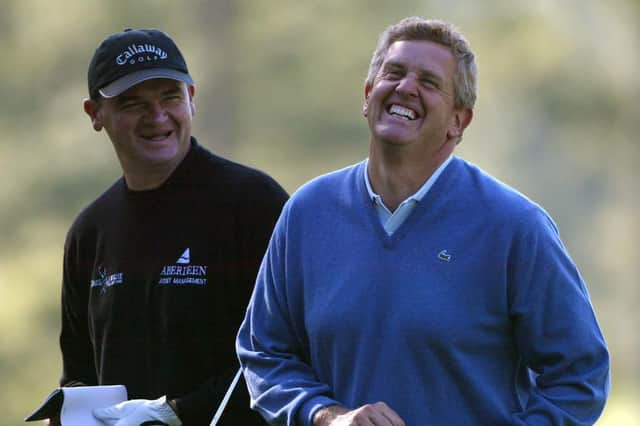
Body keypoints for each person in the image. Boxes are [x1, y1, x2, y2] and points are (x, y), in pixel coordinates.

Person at [236, 16, 610, 426]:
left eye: (429, 83)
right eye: (393, 73)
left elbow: (580, 376)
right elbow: (265, 353)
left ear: (458, 121)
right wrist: (328, 416)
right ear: (367, 95)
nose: (406, 87)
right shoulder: (307, 213)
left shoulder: (515, 227)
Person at [50, 28, 288, 425]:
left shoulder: (252, 204)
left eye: (170, 97)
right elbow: (79, 373)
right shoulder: (89, 232)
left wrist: (175, 414)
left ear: (191, 100)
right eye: (133, 103)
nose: (156, 117)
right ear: (95, 115)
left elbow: (288, 356)